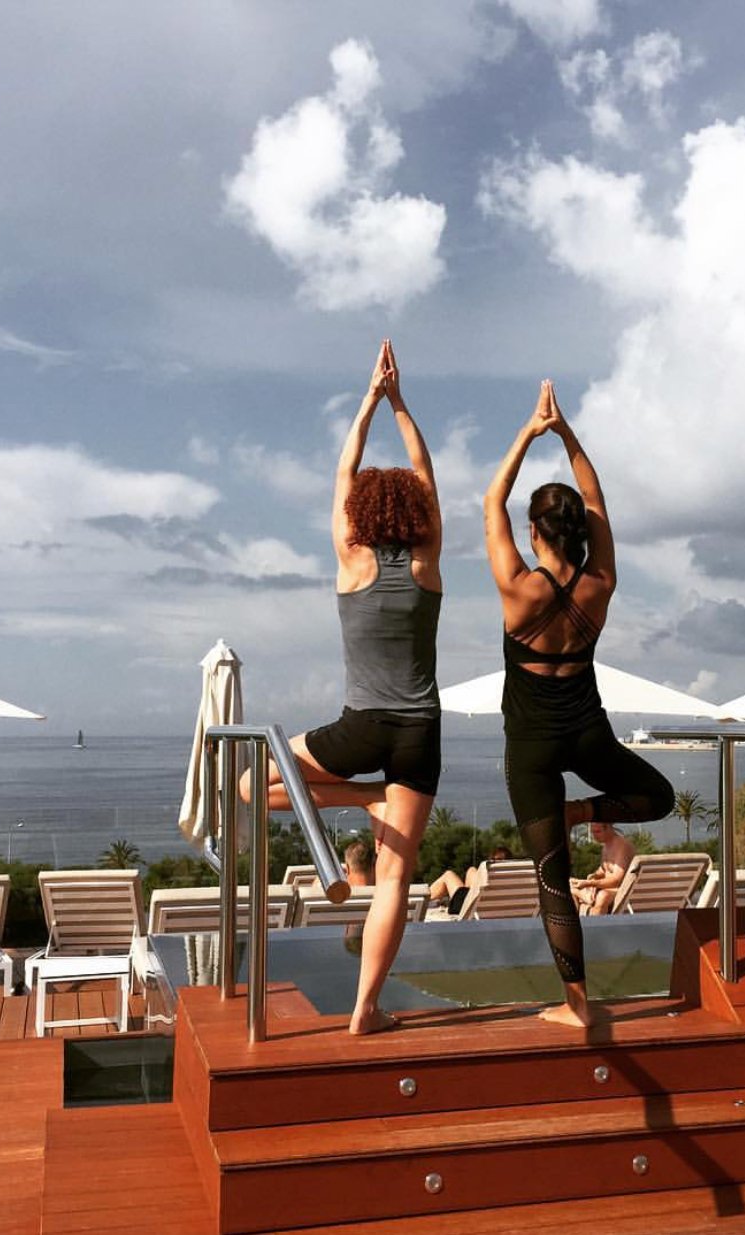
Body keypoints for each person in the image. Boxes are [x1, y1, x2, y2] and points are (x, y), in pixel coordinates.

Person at [242, 339, 442, 1035]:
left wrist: (369, 401)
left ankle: (364, 797)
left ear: (360, 513)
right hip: (419, 732)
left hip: (359, 728)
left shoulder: (351, 559)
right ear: (415, 513)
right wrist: (401, 405)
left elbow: (342, 472)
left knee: (249, 785)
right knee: (395, 878)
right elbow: (425, 474)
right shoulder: (427, 561)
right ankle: (365, 1010)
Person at [483, 379, 674, 1027]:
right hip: (589, 733)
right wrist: (566, 434)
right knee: (658, 798)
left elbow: (491, 500)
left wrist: (527, 433)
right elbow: (596, 498)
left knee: (552, 876)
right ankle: (581, 810)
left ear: (534, 530)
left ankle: (578, 1006)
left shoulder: (519, 589)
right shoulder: (601, 582)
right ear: (579, 531)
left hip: (532, 749)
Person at [571, 822, 635, 915]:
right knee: (569, 886)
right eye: (592, 832)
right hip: (605, 887)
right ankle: (575, 918)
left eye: (598, 832)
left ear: (608, 828)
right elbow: (604, 869)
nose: (594, 836)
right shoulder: (606, 846)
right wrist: (594, 876)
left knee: (602, 896)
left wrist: (590, 883)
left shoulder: (622, 846)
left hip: (620, 890)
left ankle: (586, 899)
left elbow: (617, 880)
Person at [429, 845, 512, 915]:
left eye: (495, 860)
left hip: (470, 907)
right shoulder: (512, 880)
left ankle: (424, 900)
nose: (492, 861)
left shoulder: (493, 876)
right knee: (471, 870)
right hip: (484, 906)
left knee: (448, 874)